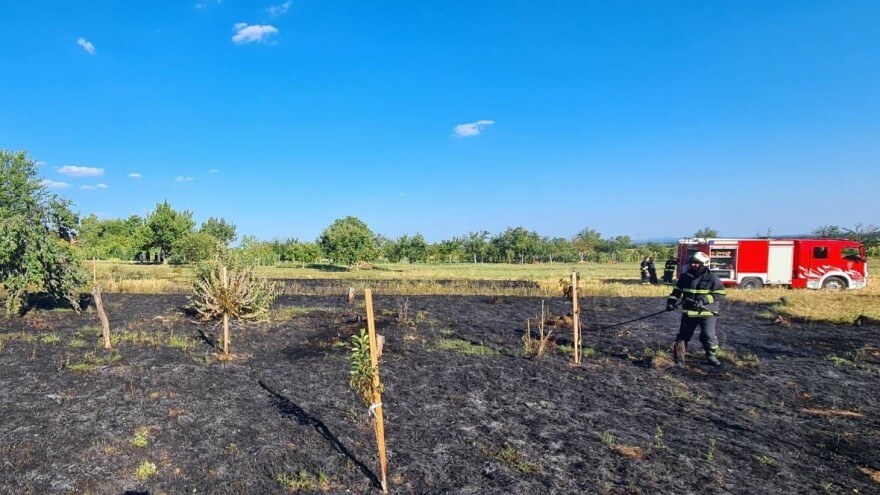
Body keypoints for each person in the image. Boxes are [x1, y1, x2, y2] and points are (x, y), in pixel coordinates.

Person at [665, 252, 726, 367]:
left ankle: (711, 356)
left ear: (704, 264)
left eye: (697, 263)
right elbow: (676, 291)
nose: (693, 265)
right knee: (683, 336)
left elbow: (721, 293)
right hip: (689, 312)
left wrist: (703, 300)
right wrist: (671, 302)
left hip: (707, 312)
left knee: (708, 335)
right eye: (692, 263)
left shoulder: (712, 278)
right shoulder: (685, 276)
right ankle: (679, 359)